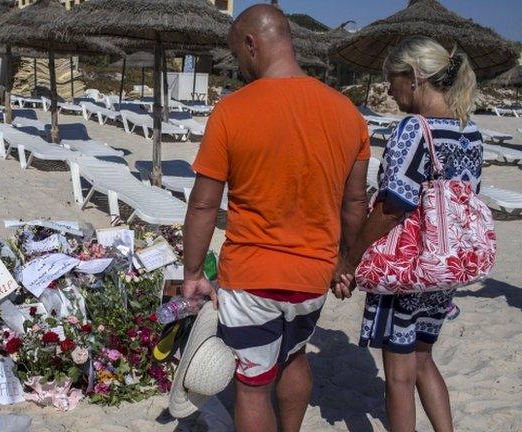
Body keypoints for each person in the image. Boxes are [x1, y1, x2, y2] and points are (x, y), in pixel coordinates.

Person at [181, 4, 370, 432]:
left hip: (253, 275)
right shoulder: (347, 114)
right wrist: (346, 262)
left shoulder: (233, 111)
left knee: (252, 385)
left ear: (252, 44)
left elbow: (204, 205)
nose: (240, 67)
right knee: (295, 355)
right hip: (314, 275)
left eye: (238, 55)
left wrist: (193, 271)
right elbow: (355, 204)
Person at [332, 36, 481, 432]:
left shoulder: (414, 129)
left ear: (414, 77)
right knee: (422, 359)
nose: (388, 88)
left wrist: (351, 258)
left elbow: (392, 206)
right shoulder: (470, 131)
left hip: (407, 267)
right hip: (446, 262)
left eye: (390, 78)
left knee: (398, 375)